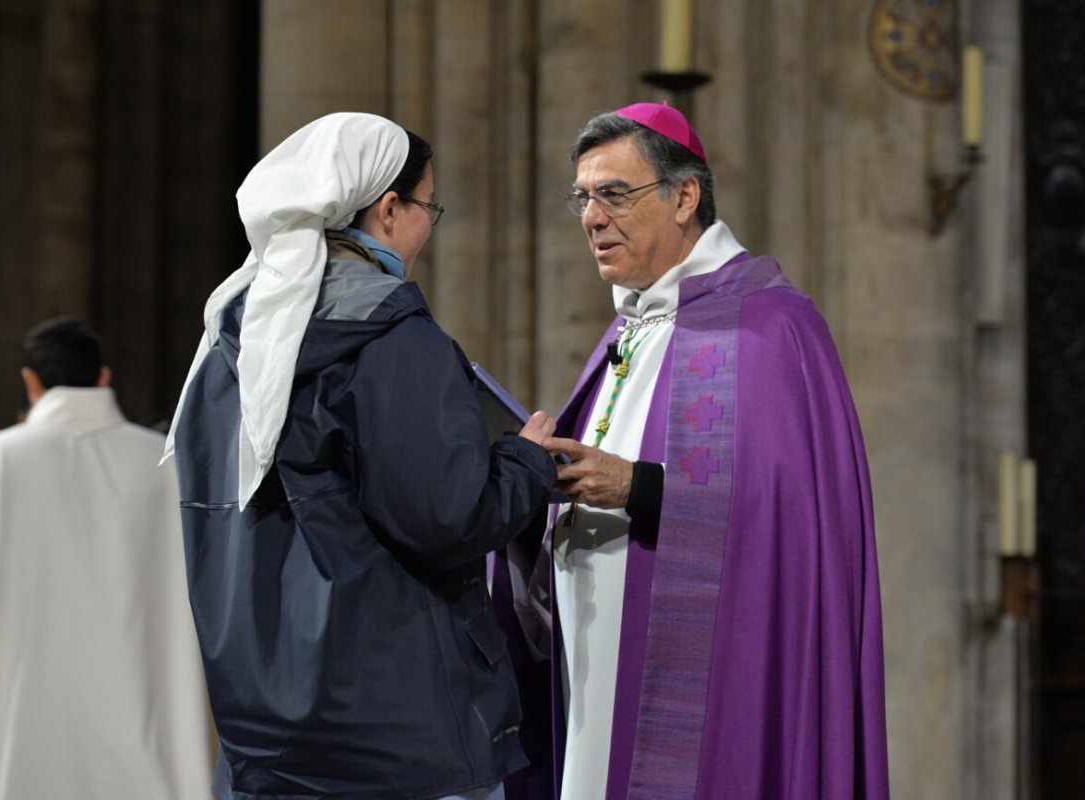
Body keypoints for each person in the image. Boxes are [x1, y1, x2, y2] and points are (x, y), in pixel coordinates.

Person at [496, 102, 889, 799]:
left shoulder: (770, 326)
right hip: (597, 666)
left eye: (615, 194)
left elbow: (792, 530)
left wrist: (640, 490)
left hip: (709, 688)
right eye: (582, 198)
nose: (591, 217)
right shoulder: (633, 326)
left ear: (685, 197)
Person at [162, 112, 558, 800]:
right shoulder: (394, 337)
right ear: (388, 209)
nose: (429, 227)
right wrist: (527, 462)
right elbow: (448, 518)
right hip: (397, 739)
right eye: (428, 206)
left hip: (265, 742)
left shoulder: (224, 349)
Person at [0, 317, 212, 800]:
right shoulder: (163, 463)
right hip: (145, 699)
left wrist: (4, 651)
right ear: (103, 377)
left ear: (30, 381)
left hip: (34, 707)